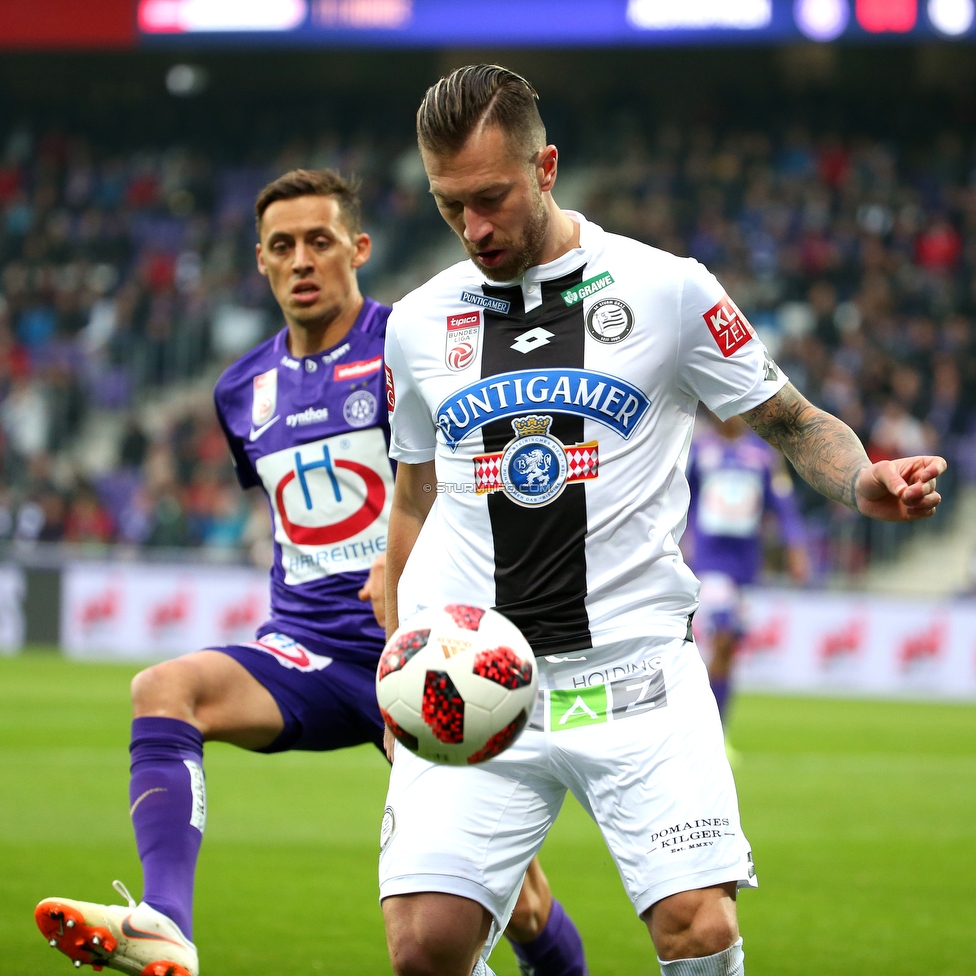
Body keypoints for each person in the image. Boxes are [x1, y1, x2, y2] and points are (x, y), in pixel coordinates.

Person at [379, 64, 945, 976]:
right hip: (471, 677)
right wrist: (398, 652)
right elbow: (412, 494)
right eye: (451, 207)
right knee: (425, 948)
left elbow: (792, 420)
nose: (474, 228)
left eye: (491, 197)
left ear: (548, 166)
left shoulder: (669, 289)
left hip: (634, 672)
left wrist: (863, 483)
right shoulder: (415, 324)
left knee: (699, 928)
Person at [35, 169, 586, 976]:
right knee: (163, 689)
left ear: (358, 249)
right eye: (282, 246)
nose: (302, 260)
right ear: (259, 261)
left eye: (319, 242)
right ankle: (165, 922)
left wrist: (409, 561)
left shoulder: (415, 345)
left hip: (423, 654)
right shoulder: (238, 390)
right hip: (308, 652)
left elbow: (486, 476)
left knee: (514, 899)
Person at [686, 413, 810, 730]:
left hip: (744, 565)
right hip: (709, 561)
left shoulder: (762, 456)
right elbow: (679, 499)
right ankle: (704, 728)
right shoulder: (699, 451)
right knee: (724, 636)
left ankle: (717, 730)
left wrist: (795, 545)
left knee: (727, 649)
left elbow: (783, 505)